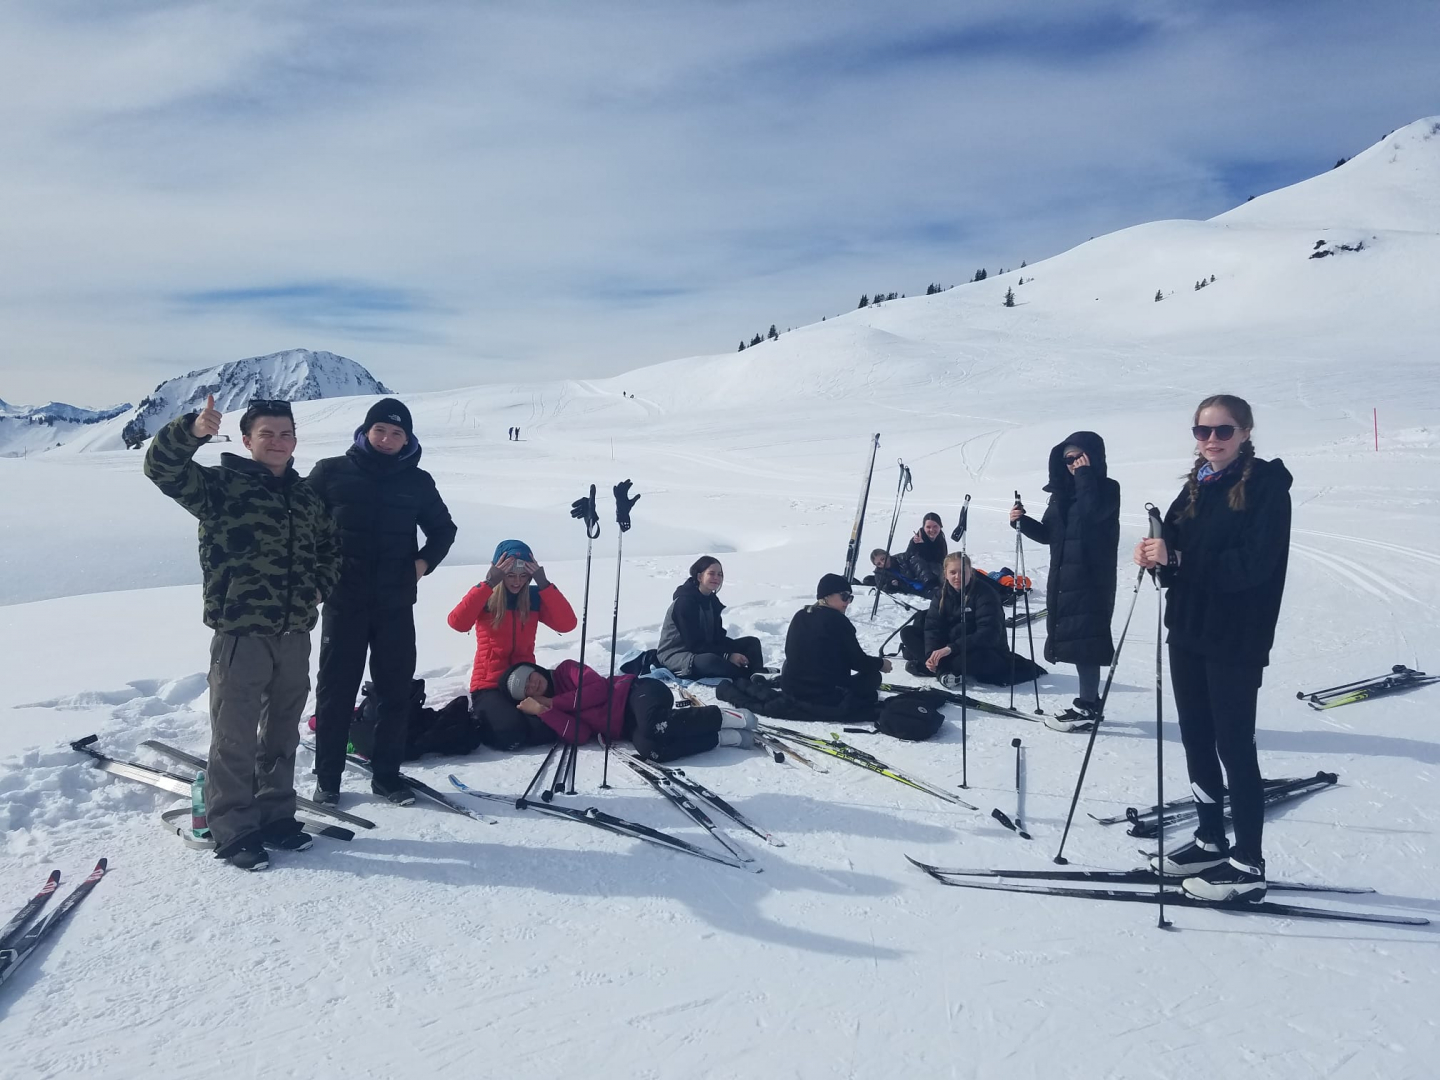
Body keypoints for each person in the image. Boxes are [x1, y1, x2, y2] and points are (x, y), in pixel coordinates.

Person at [144, 395, 340, 871]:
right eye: (267, 434)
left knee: (283, 731)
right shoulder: (220, 485)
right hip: (240, 632)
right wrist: (191, 431)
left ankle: (276, 815)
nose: (278, 442)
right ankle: (233, 829)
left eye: (286, 433)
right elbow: (161, 469)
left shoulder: (306, 495)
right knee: (233, 735)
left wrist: (318, 587)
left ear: (295, 440)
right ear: (248, 440)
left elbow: (330, 548)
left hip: (294, 633)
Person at [1136, 394, 1291, 903]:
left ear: (1245, 432)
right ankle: (1209, 840)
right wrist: (1156, 556)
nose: (1212, 440)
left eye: (1223, 431)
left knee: (1234, 746)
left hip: (1235, 636)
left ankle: (1248, 863)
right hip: (1188, 629)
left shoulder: (1267, 488)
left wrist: (1179, 560)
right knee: (1196, 738)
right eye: (1202, 431)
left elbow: (1253, 565)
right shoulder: (1194, 488)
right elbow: (1175, 555)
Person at [306, 398, 457, 808]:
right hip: (344, 601)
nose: (387, 439)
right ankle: (328, 779)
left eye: (396, 433)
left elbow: (443, 529)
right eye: (380, 431)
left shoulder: (417, 481)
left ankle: (387, 776)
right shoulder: (330, 472)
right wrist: (316, 575)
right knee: (336, 691)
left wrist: (422, 564)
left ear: (407, 439)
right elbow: (299, 525)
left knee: (394, 691)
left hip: (395, 604)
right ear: (365, 431)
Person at [1011, 431, 1121, 732]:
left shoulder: (1107, 488)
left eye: (1078, 457)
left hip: (1092, 578)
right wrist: (1021, 522)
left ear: (1093, 457)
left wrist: (1085, 476)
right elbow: (1049, 535)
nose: (1073, 464)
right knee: (1076, 639)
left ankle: (1087, 706)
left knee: (1088, 641)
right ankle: (1089, 702)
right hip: (1064, 578)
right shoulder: (1061, 496)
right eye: (1068, 460)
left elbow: (1092, 515)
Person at [448, 541, 577, 750]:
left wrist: (544, 584)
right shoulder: (486, 596)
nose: (517, 582)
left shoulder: (534, 598)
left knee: (547, 731)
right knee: (510, 735)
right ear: (498, 572)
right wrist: (488, 583)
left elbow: (567, 624)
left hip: (525, 683)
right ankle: (485, 716)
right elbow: (457, 623)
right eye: (510, 575)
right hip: (489, 684)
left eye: (523, 575)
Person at [498, 661, 757, 761]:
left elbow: (598, 689)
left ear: (535, 670)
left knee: (653, 724)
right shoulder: (548, 708)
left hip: (638, 691)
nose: (533, 684)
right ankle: (722, 737)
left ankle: (725, 717)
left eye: (530, 677)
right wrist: (545, 712)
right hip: (627, 725)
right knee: (652, 750)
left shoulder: (565, 670)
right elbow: (580, 735)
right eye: (526, 689)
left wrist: (554, 703)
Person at [780, 573, 891, 710]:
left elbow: (790, 651)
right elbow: (858, 661)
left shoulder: (801, 615)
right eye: (844, 596)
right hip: (826, 693)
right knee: (873, 677)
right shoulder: (838, 620)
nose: (848, 602)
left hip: (793, 689)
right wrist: (881, 664)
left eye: (850, 598)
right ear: (827, 596)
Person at [656, 556, 766, 680]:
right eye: (711, 573)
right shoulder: (684, 603)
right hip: (677, 654)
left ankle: (759, 674)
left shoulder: (711, 601)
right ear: (699, 577)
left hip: (703, 648)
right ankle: (746, 676)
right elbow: (694, 644)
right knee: (710, 661)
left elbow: (717, 638)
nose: (716, 578)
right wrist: (727, 655)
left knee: (751, 643)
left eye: (719, 574)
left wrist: (730, 651)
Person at [921, 554, 1014, 686]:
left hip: (984, 650)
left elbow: (989, 634)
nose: (958, 577)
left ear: (971, 572)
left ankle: (940, 668)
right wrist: (932, 654)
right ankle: (938, 666)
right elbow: (932, 627)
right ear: (945, 574)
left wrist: (951, 648)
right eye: (953, 572)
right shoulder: (941, 594)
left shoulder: (985, 593)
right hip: (953, 646)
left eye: (962, 572)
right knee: (909, 632)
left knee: (963, 661)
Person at [867, 547, 939, 598]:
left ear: (887, 554)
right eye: (879, 564)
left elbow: (920, 567)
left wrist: (930, 582)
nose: (883, 563)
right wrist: (891, 585)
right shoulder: (879, 575)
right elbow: (882, 588)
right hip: (915, 593)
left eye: (883, 559)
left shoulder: (902, 558)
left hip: (929, 585)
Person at [906, 512, 947, 577]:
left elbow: (942, 559)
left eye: (935, 526)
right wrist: (921, 545)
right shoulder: (916, 540)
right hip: (918, 574)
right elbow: (912, 561)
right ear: (924, 527)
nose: (932, 530)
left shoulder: (941, 538)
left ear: (940, 526)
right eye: (928, 527)